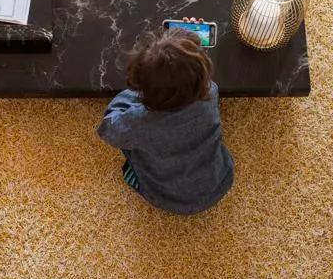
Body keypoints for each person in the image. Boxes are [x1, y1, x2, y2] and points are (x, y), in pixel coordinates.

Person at [97, 27, 233, 214]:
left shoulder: (137, 122)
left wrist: (136, 93)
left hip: (165, 198)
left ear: (142, 87)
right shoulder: (211, 93)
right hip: (219, 183)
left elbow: (108, 129)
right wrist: (192, 44)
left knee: (129, 159)